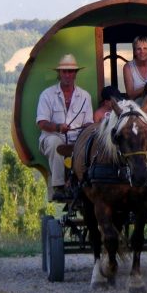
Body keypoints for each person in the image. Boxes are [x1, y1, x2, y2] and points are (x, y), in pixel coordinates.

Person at [36, 54, 93, 201]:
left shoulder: (85, 96)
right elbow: (41, 122)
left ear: (75, 74)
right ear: (59, 73)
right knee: (56, 144)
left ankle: (88, 184)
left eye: (71, 71)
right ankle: (58, 186)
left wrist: (84, 131)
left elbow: (89, 123)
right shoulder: (47, 95)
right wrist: (58, 127)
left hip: (77, 139)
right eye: (64, 71)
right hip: (52, 137)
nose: (68, 75)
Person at [122, 35, 147, 100]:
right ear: (134, 52)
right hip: (137, 106)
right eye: (139, 49)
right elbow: (130, 95)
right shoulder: (128, 67)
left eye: (145, 48)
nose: (142, 52)